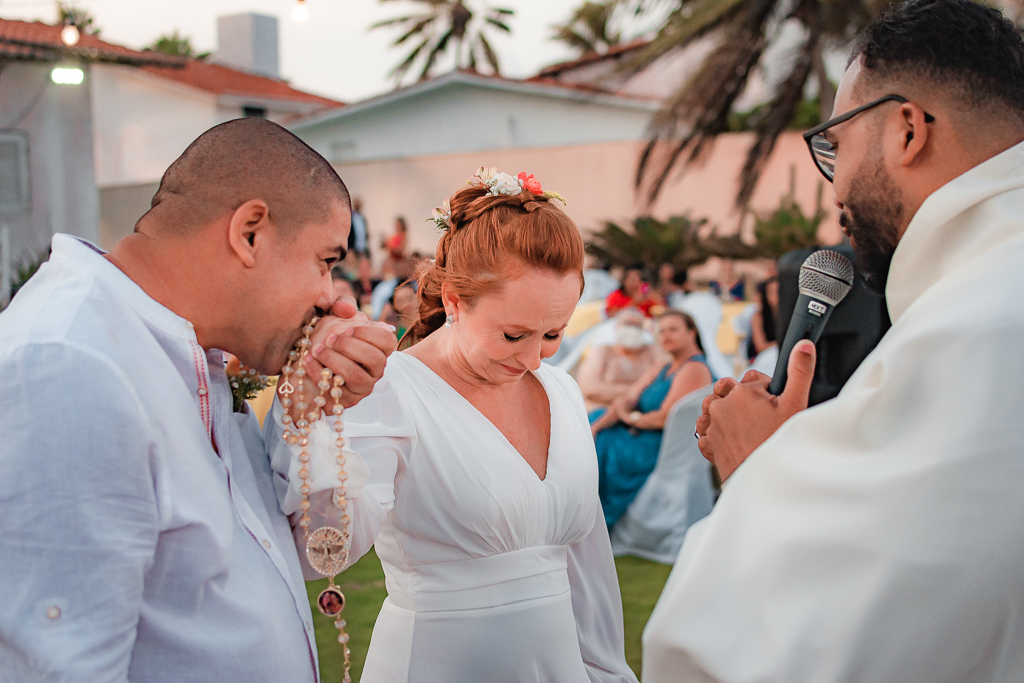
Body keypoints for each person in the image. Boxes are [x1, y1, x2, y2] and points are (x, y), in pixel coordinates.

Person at [645, 1, 1024, 680]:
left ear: (908, 130)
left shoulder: (969, 338)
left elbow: (794, 656)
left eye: (835, 146)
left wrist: (758, 471)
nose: (836, 189)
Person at [0, 119, 397, 681]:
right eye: (325, 261)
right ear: (250, 232)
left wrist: (305, 408)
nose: (328, 296)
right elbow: (61, 666)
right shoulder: (69, 364)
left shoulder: (187, 356)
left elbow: (308, 556)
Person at [270, 168, 638, 682]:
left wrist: (607, 671)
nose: (535, 358)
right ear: (453, 303)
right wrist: (314, 413)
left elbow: (588, 560)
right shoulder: (388, 391)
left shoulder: (564, 391)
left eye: (554, 334)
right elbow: (325, 546)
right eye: (513, 335)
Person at [589, 310, 712, 528]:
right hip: (637, 430)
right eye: (661, 331)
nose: (665, 336)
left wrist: (630, 418)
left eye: (673, 330)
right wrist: (597, 426)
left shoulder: (694, 368)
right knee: (593, 422)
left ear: (692, 333)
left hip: (656, 444)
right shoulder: (663, 366)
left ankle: (591, 518)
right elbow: (628, 397)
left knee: (603, 445)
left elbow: (665, 418)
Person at [577, 308, 661, 412]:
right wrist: (636, 391)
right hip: (600, 412)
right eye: (627, 323)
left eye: (637, 325)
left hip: (639, 415)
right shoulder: (603, 351)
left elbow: (662, 385)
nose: (632, 329)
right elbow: (590, 389)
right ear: (617, 326)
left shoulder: (652, 351)